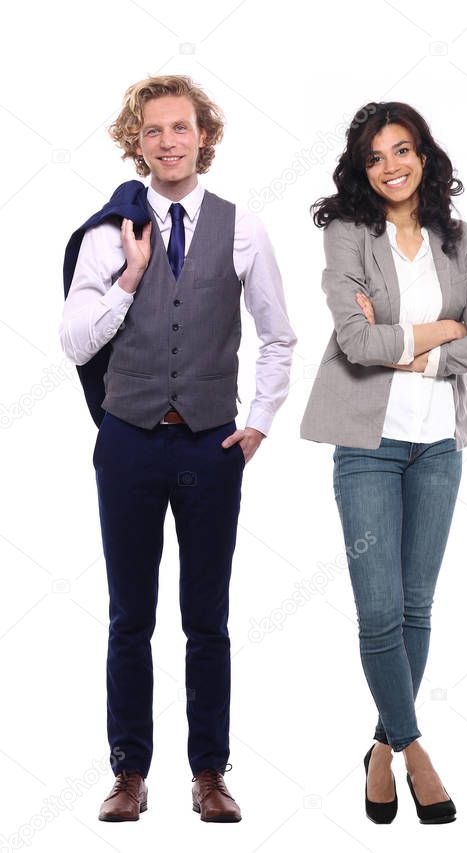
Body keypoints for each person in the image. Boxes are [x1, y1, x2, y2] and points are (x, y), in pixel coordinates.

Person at [60, 74, 296, 822]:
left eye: (181, 128)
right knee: (129, 614)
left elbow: (278, 335)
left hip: (207, 445)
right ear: (136, 143)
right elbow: (73, 340)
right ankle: (129, 772)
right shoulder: (109, 232)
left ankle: (209, 771)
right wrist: (129, 277)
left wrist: (255, 421)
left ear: (205, 137)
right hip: (127, 441)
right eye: (154, 130)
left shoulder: (245, 228)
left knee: (207, 617)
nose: (168, 142)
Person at [301, 101, 467, 825]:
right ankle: (412, 749)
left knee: (417, 604)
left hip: (439, 441)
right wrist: (442, 330)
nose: (392, 165)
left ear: (424, 155)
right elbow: (354, 341)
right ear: (362, 166)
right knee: (379, 608)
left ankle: (379, 748)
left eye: (403, 149)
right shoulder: (348, 233)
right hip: (368, 443)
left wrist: (418, 341)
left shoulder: (459, 237)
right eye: (376, 155)